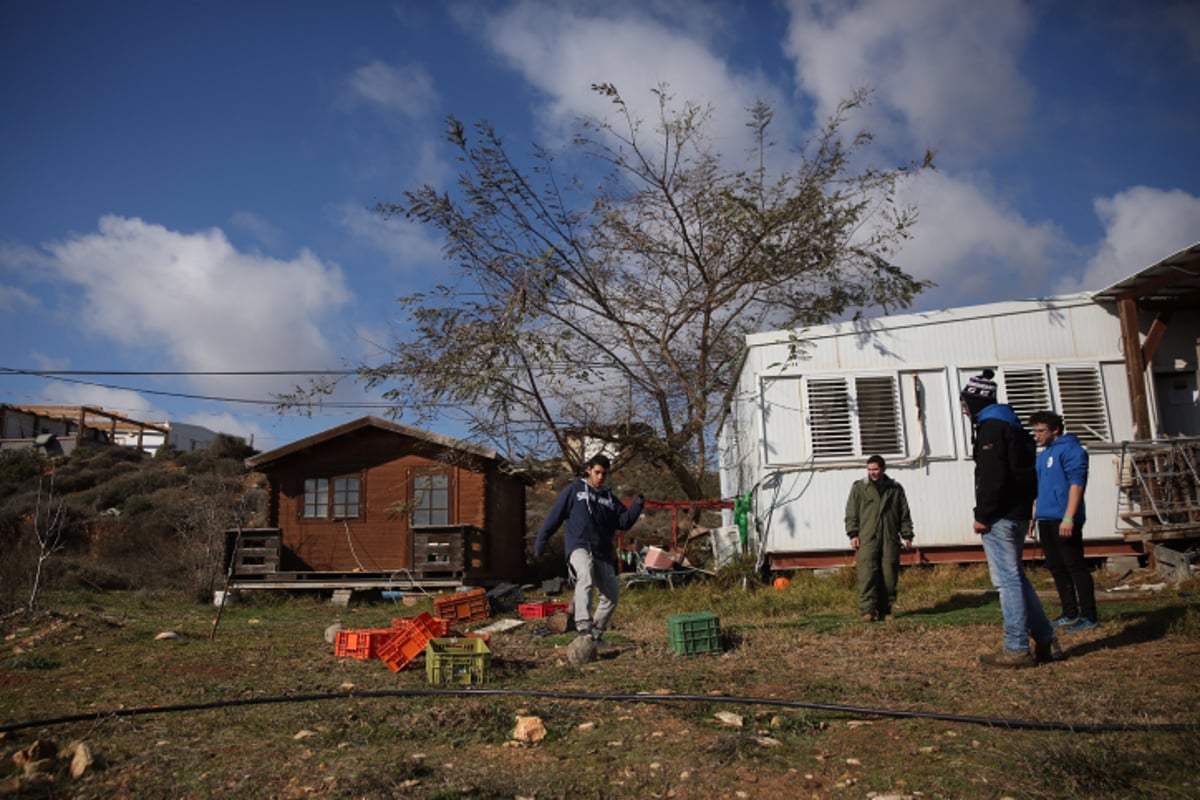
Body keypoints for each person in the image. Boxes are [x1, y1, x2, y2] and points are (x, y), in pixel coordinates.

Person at [960, 370, 1063, 667]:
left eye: (966, 404)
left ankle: (1017, 647)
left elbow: (992, 478)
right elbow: (1027, 476)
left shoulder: (991, 429)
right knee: (1016, 578)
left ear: (977, 402)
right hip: (1017, 514)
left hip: (1000, 517)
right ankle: (1045, 640)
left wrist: (983, 515)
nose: (964, 410)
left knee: (1006, 582)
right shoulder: (1015, 428)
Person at [534, 454, 645, 644]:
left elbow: (623, 522)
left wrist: (637, 505)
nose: (600, 477)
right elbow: (554, 517)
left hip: (601, 551)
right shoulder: (574, 491)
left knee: (611, 596)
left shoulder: (609, 498)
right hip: (579, 546)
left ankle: (595, 635)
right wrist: (541, 542)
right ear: (588, 470)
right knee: (585, 575)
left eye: (604, 474)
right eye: (597, 472)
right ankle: (583, 623)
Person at [1028, 410, 1098, 634]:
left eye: (1041, 431)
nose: (1037, 435)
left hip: (1064, 518)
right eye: (1036, 431)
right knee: (1057, 567)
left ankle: (1089, 616)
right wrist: (1033, 515)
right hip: (1046, 517)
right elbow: (1039, 489)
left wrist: (1069, 517)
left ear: (1055, 430)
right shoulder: (1043, 455)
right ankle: (1069, 612)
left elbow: (1076, 485)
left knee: (1075, 566)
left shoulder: (1073, 450)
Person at [845, 455, 914, 621]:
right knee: (867, 574)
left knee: (889, 575)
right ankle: (867, 611)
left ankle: (885, 610)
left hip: (890, 537)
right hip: (867, 537)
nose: (872, 473)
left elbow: (904, 514)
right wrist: (853, 534)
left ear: (883, 469)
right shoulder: (860, 488)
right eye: (869, 470)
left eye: (875, 469)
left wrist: (907, 535)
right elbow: (851, 513)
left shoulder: (895, 489)